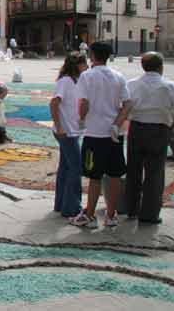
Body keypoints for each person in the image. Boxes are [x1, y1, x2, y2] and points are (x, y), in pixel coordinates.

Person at [70, 41, 132, 229]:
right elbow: (128, 104)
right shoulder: (118, 76)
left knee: (94, 176)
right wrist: (116, 124)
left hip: (95, 133)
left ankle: (89, 215)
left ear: (92, 56)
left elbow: (84, 103)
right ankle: (111, 216)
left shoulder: (87, 76)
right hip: (114, 134)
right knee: (114, 175)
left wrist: (81, 119)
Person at [125, 52, 174, 224]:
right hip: (159, 130)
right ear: (161, 67)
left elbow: (124, 106)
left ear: (143, 67)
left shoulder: (132, 84)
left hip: (136, 129)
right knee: (155, 173)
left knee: (133, 170)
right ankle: (149, 214)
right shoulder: (169, 85)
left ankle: (131, 209)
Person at [50, 52, 88, 218]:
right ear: (77, 65)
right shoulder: (65, 81)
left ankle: (61, 204)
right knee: (76, 167)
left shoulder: (76, 81)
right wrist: (59, 127)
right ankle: (71, 207)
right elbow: (54, 103)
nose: (86, 67)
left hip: (72, 130)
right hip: (66, 132)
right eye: (84, 64)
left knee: (66, 167)